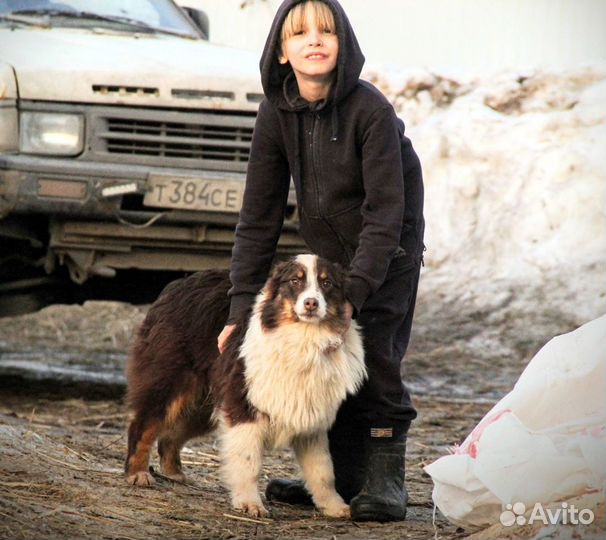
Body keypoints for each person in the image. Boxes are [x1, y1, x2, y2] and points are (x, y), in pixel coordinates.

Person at [218, 0, 424, 522]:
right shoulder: (276, 112)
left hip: (389, 249)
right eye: (300, 33)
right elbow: (259, 216)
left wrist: (355, 294)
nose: (314, 40)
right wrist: (241, 307)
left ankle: (385, 481)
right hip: (329, 257)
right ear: (281, 52)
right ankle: (344, 477)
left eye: (327, 31)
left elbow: (386, 211)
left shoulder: (370, 111)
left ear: (343, 43)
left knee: (373, 355)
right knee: (324, 363)